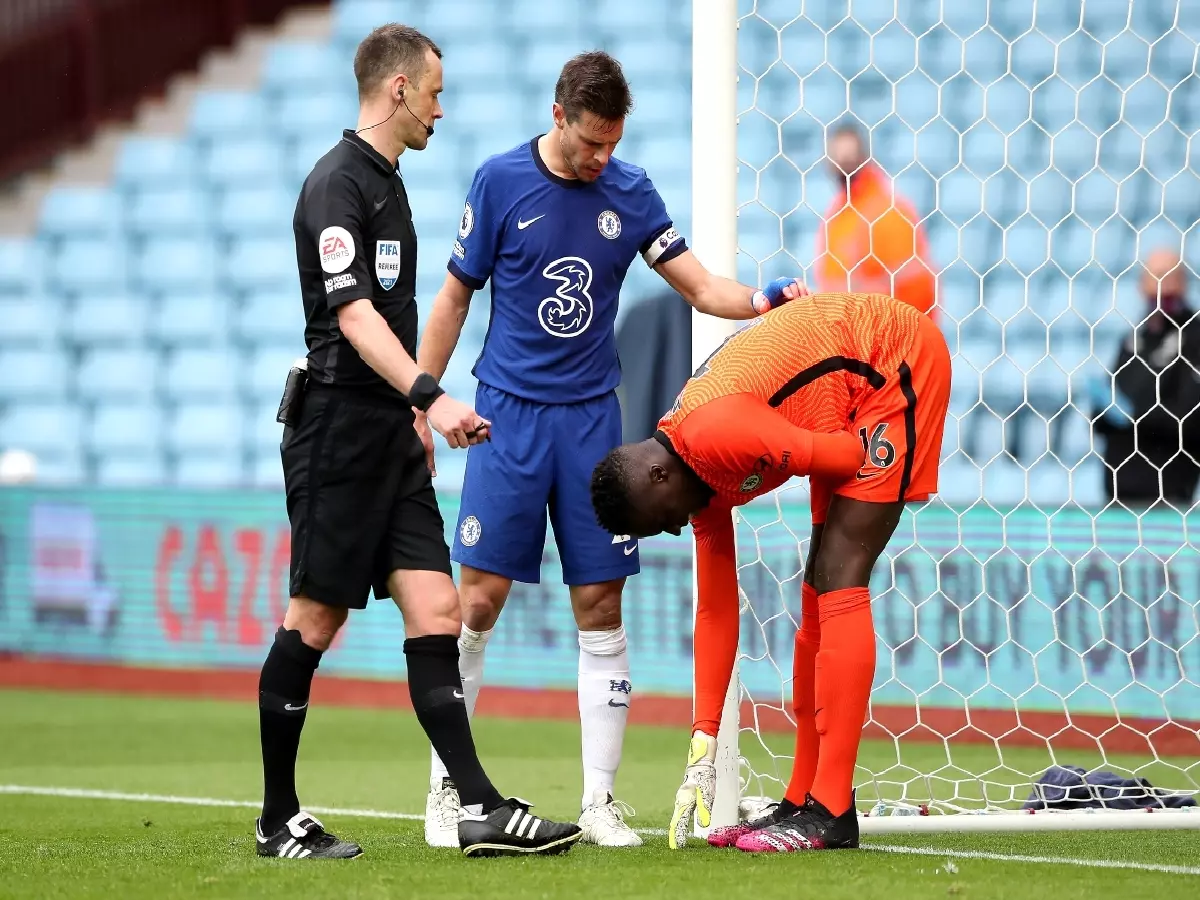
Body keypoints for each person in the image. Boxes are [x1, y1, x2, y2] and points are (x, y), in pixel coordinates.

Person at [415, 50, 805, 848]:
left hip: (594, 422)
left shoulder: (630, 192)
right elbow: (455, 296)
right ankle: (448, 791)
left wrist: (764, 301)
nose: (602, 159)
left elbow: (700, 287)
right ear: (559, 117)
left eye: (613, 144)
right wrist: (422, 398)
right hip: (507, 417)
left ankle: (598, 803)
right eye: (592, 143)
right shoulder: (498, 183)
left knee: (601, 606)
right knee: (476, 604)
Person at [257, 23, 580, 860]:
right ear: (397, 88)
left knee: (438, 608)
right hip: (335, 431)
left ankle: (476, 806)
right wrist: (430, 399)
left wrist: (411, 419)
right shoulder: (336, 184)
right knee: (316, 616)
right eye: (434, 90)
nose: (442, 106)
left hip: (390, 435)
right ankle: (276, 819)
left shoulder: (388, 181)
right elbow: (355, 316)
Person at [590, 291, 952, 853]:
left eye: (661, 521)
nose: (674, 530)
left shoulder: (715, 435)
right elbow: (714, 611)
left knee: (839, 573)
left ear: (659, 476)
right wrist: (703, 743)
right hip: (839, 398)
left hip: (892, 362)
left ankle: (832, 811)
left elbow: (846, 457)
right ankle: (803, 797)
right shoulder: (694, 480)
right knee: (815, 589)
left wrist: (881, 455)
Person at [1090, 248, 1200, 508]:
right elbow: (1105, 407)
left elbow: (1189, 419)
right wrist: (1104, 411)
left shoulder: (1194, 338)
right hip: (1118, 493)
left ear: (1182, 282)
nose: (1157, 283)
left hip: (1168, 495)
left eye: (1164, 275)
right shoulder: (1135, 338)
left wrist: (1132, 416)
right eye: (1150, 275)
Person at [815, 123, 937, 321]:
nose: (843, 161)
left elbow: (915, 285)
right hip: (848, 333)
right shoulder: (837, 214)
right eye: (837, 155)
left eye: (849, 155)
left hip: (884, 335)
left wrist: (854, 295)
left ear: (864, 157)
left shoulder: (889, 211)